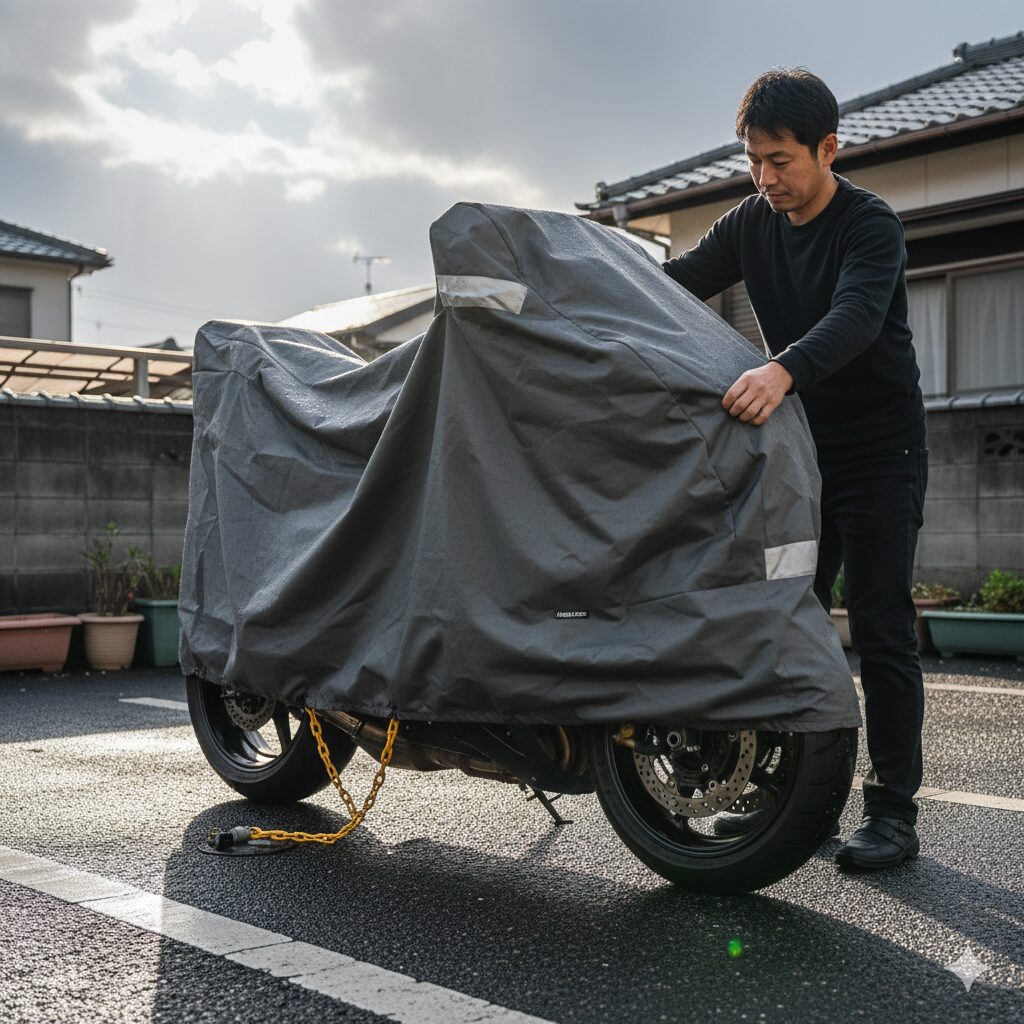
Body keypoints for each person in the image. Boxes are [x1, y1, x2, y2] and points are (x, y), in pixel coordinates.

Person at [662, 68, 928, 870]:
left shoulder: (869, 224)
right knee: (788, 614)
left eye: (781, 161)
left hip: (883, 451)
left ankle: (891, 814)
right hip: (803, 455)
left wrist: (780, 370)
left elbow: (853, 317)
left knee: (880, 626)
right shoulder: (749, 222)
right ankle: (784, 793)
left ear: (827, 149)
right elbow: (672, 289)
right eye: (754, 161)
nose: (766, 178)